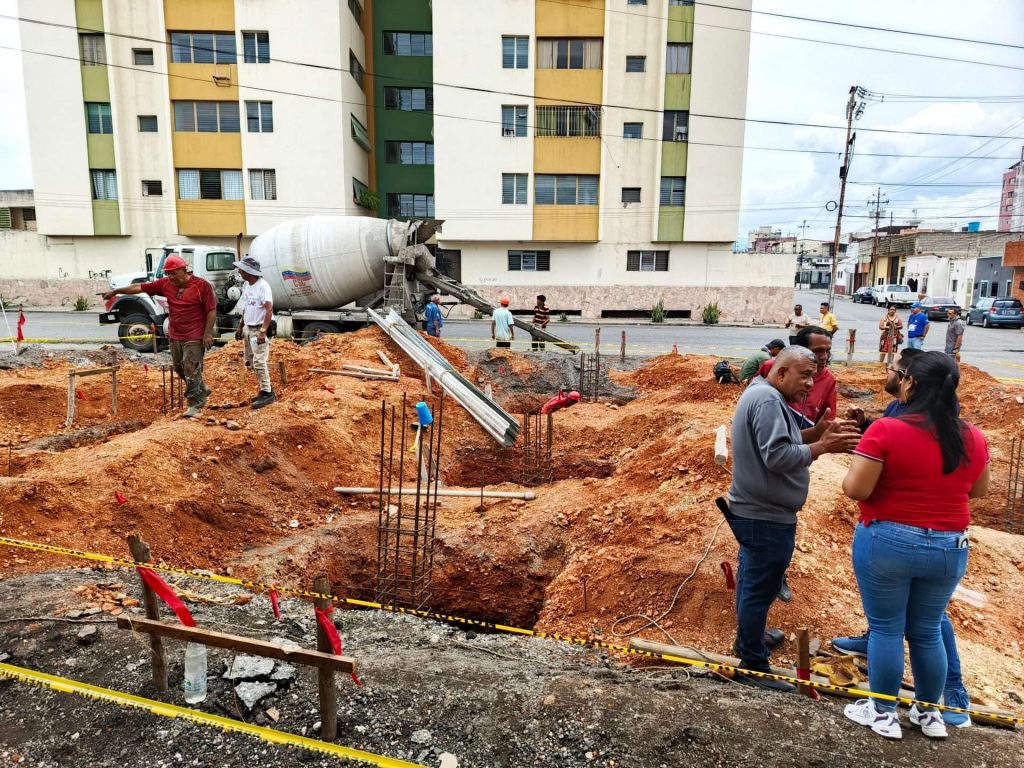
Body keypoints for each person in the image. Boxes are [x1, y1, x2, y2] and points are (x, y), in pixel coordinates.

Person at [841, 352, 989, 740]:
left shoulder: (886, 430)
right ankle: (930, 713)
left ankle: (884, 713)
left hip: (887, 540)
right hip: (948, 547)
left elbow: (856, 489)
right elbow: (979, 490)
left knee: (886, 630)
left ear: (910, 383)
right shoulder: (970, 435)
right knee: (926, 631)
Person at [725, 347, 860, 691]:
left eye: (814, 376)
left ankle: (749, 639)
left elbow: (783, 440)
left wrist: (817, 433)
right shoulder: (769, 401)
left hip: (758, 511)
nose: (811, 384)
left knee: (754, 581)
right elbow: (778, 455)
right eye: (805, 375)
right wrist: (823, 447)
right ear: (782, 372)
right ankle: (752, 663)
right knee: (759, 588)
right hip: (764, 516)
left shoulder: (763, 394)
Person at [102, 255, 216, 418]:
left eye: (174, 273)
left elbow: (211, 310)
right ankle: (201, 389)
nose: (170, 277)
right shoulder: (165, 284)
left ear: (184, 270)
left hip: (195, 335)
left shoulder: (202, 286)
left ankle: (195, 404)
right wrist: (116, 291)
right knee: (179, 368)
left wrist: (208, 333)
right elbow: (139, 287)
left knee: (190, 367)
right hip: (175, 334)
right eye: (168, 273)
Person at [757, 326, 837, 427]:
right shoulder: (772, 367)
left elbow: (826, 421)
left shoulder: (828, 380)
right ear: (800, 349)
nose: (824, 357)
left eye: (827, 351)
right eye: (817, 351)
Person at [233, 257, 275, 409]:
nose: (239, 271)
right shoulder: (246, 285)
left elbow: (269, 309)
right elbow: (246, 308)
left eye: (242, 269)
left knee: (259, 361)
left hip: (259, 329)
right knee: (251, 360)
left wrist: (263, 331)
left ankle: (267, 392)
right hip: (249, 328)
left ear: (249, 271)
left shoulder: (263, 286)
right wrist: (240, 326)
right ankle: (266, 388)